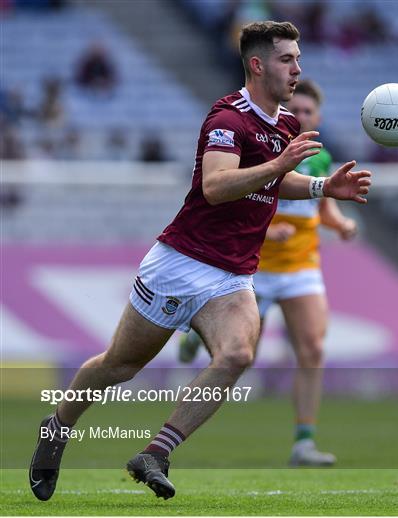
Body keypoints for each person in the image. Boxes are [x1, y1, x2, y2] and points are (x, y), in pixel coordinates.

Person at [29, 21, 372, 501]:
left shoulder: (287, 126)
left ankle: (156, 452)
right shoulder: (226, 119)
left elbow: (274, 182)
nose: (298, 68)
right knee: (119, 366)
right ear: (257, 65)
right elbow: (216, 186)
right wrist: (278, 166)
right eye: (287, 59)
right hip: (179, 264)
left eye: (297, 58)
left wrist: (320, 186)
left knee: (237, 354)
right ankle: (58, 425)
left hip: (232, 276)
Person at [179, 79, 357, 466]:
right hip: (253, 266)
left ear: (319, 118)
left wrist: (340, 223)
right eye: (299, 111)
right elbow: (247, 193)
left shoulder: (322, 160)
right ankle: (197, 329)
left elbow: (320, 205)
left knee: (312, 349)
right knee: (240, 355)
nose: (303, 117)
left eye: (310, 112)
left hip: (301, 266)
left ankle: (304, 442)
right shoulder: (266, 147)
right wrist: (268, 227)